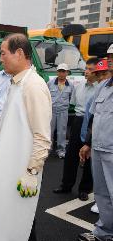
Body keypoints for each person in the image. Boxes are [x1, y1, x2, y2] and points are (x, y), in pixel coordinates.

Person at [0, 33, 51, 241]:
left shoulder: (33, 85)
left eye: (4, 53)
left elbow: (42, 135)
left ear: (20, 53)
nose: (1, 58)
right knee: (14, 220)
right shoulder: (17, 83)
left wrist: (32, 172)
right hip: (7, 169)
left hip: (20, 172)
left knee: (20, 221)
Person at [78, 58, 113, 241]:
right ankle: (104, 233)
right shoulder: (103, 86)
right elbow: (94, 118)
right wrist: (88, 144)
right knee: (101, 194)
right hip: (99, 149)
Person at [53, 58, 98, 201]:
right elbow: (73, 104)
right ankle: (66, 185)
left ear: (97, 71)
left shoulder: (100, 88)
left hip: (92, 122)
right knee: (71, 155)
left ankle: (84, 189)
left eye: (90, 69)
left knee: (89, 156)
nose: (86, 71)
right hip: (78, 121)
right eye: (86, 68)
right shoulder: (78, 86)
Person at [47, 63, 74, 158]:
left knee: (62, 131)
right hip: (52, 110)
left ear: (67, 73)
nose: (61, 73)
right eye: (60, 71)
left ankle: (61, 150)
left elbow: (71, 98)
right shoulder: (50, 83)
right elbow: (46, 96)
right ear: (57, 72)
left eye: (63, 71)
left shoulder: (70, 85)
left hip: (63, 111)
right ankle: (47, 150)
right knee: (49, 131)